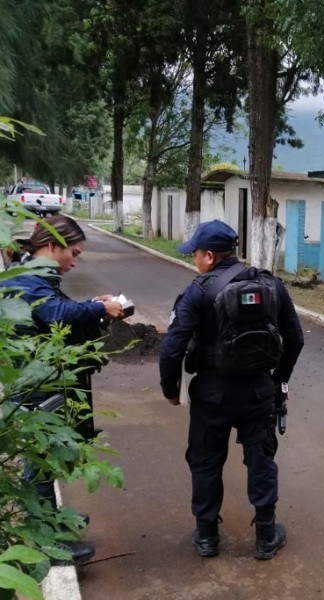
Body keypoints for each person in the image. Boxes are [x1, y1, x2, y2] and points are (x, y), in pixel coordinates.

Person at [159, 220, 304, 560]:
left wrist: (171, 389)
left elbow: (172, 348)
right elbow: (295, 339)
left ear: (209, 256)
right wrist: (278, 382)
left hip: (212, 393)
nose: (193, 259)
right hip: (258, 390)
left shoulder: (198, 290)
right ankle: (266, 536)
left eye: (195, 253)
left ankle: (207, 536)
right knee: (261, 459)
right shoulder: (272, 285)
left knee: (206, 461)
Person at [6, 214, 125, 564]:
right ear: (52, 246)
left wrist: (93, 303)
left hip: (40, 377)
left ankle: (52, 523)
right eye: (73, 253)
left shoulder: (34, 273)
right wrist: (98, 307)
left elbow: (51, 311)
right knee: (41, 462)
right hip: (36, 383)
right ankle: (45, 543)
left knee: (49, 458)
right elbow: (56, 314)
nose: (74, 261)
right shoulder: (31, 278)